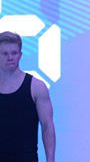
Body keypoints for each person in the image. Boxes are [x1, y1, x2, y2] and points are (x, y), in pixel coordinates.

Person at [0, 31, 56, 162]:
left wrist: (50, 159)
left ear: (20, 55)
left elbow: (47, 125)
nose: (10, 57)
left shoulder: (36, 87)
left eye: (14, 53)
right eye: (5, 54)